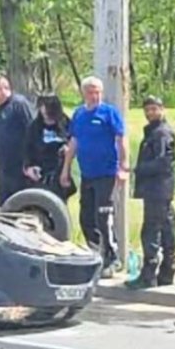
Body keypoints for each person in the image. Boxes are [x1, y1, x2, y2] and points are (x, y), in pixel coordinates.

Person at [60, 76, 130, 279]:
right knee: (86, 218)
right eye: (91, 92)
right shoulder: (79, 114)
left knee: (103, 216)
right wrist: (65, 169)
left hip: (106, 173)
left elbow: (121, 138)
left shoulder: (109, 113)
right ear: (84, 93)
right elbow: (74, 142)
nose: (95, 96)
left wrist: (124, 166)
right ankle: (95, 253)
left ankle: (112, 258)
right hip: (87, 174)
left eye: (98, 92)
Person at [126, 96, 175, 290]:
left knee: (151, 231)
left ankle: (149, 274)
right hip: (159, 188)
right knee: (167, 227)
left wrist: (138, 169)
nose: (150, 113)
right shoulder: (154, 132)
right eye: (147, 110)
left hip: (158, 188)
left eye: (154, 109)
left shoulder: (162, 133)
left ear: (162, 109)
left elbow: (163, 162)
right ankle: (167, 271)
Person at [0, 76, 34, 206]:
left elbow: (33, 131)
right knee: (3, 204)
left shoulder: (19, 105)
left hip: (20, 168)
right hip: (3, 169)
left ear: (5, 89)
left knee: (22, 203)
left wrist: (31, 162)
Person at [22, 94, 75, 201]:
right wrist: (28, 168)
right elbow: (27, 150)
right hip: (40, 173)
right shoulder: (34, 127)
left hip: (60, 171)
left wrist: (67, 150)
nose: (44, 110)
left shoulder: (65, 123)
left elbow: (73, 142)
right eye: (41, 106)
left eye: (47, 107)